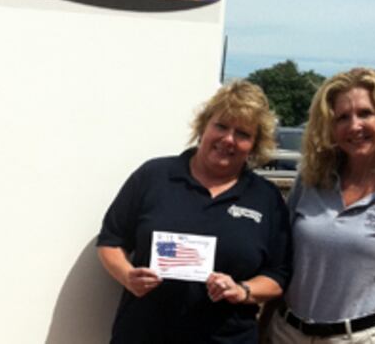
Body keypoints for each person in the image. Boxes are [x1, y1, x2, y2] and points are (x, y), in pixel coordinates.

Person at [97, 80, 292, 343]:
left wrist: (243, 290)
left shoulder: (265, 197)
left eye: (243, 134)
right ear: (203, 127)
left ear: (254, 145)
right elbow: (111, 240)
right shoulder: (154, 176)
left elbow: (278, 276)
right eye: (221, 126)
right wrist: (127, 276)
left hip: (226, 337)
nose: (228, 139)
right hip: (144, 334)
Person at [268, 68, 375, 343]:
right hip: (288, 333)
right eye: (342, 117)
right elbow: (283, 256)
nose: (354, 126)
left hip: (360, 337)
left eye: (365, 113)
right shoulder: (311, 177)